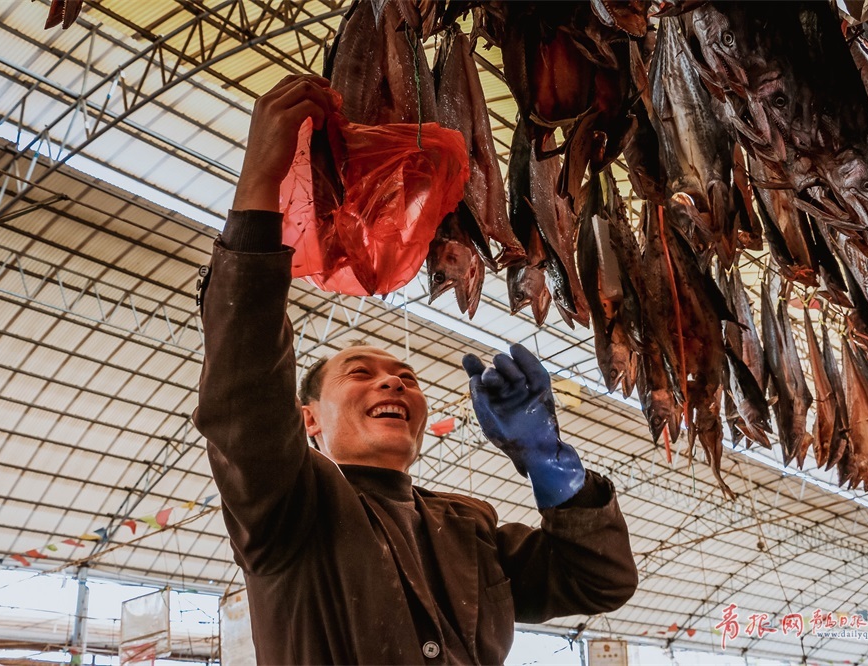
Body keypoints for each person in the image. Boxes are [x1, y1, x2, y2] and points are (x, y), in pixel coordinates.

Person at [194, 74, 638, 665]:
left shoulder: (470, 530)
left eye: (406, 376)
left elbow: (598, 579)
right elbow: (244, 399)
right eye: (359, 373)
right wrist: (259, 183)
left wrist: (549, 465)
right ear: (308, 419)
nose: (393, 382)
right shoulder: (286, 507)